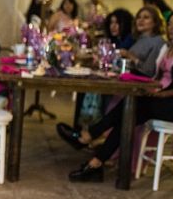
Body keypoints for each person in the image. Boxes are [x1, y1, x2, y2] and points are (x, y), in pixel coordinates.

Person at [57, 15, 173, 182]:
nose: (171, 28)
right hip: (159, 95)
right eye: (170, 24)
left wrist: (159, 94)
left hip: (169, 103)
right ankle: (95, 162)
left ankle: (89, 137)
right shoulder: (168, 47)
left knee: (131, 107)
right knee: (128, 113)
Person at [118, 6, 167, 77]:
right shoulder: (139, 39)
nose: (140, 20)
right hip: (128, 77)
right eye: (138, 17)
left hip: (143, 84)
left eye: (146, 17)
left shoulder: (158, 41)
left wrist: (131, 57)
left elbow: (149, 71)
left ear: (155, 22)